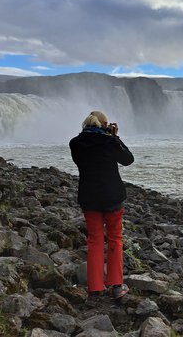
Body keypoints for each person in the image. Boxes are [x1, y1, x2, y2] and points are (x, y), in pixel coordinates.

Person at [69, 111, 134, 305]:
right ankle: (116, 286)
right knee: (115, 239)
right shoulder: (109, 142)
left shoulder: (75, 143)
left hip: (89, 198)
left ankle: (94, 291)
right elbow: (128, 159)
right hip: (112, 197)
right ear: (103, 125)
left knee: (95, 241)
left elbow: (82, 162)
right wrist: (115, 137)